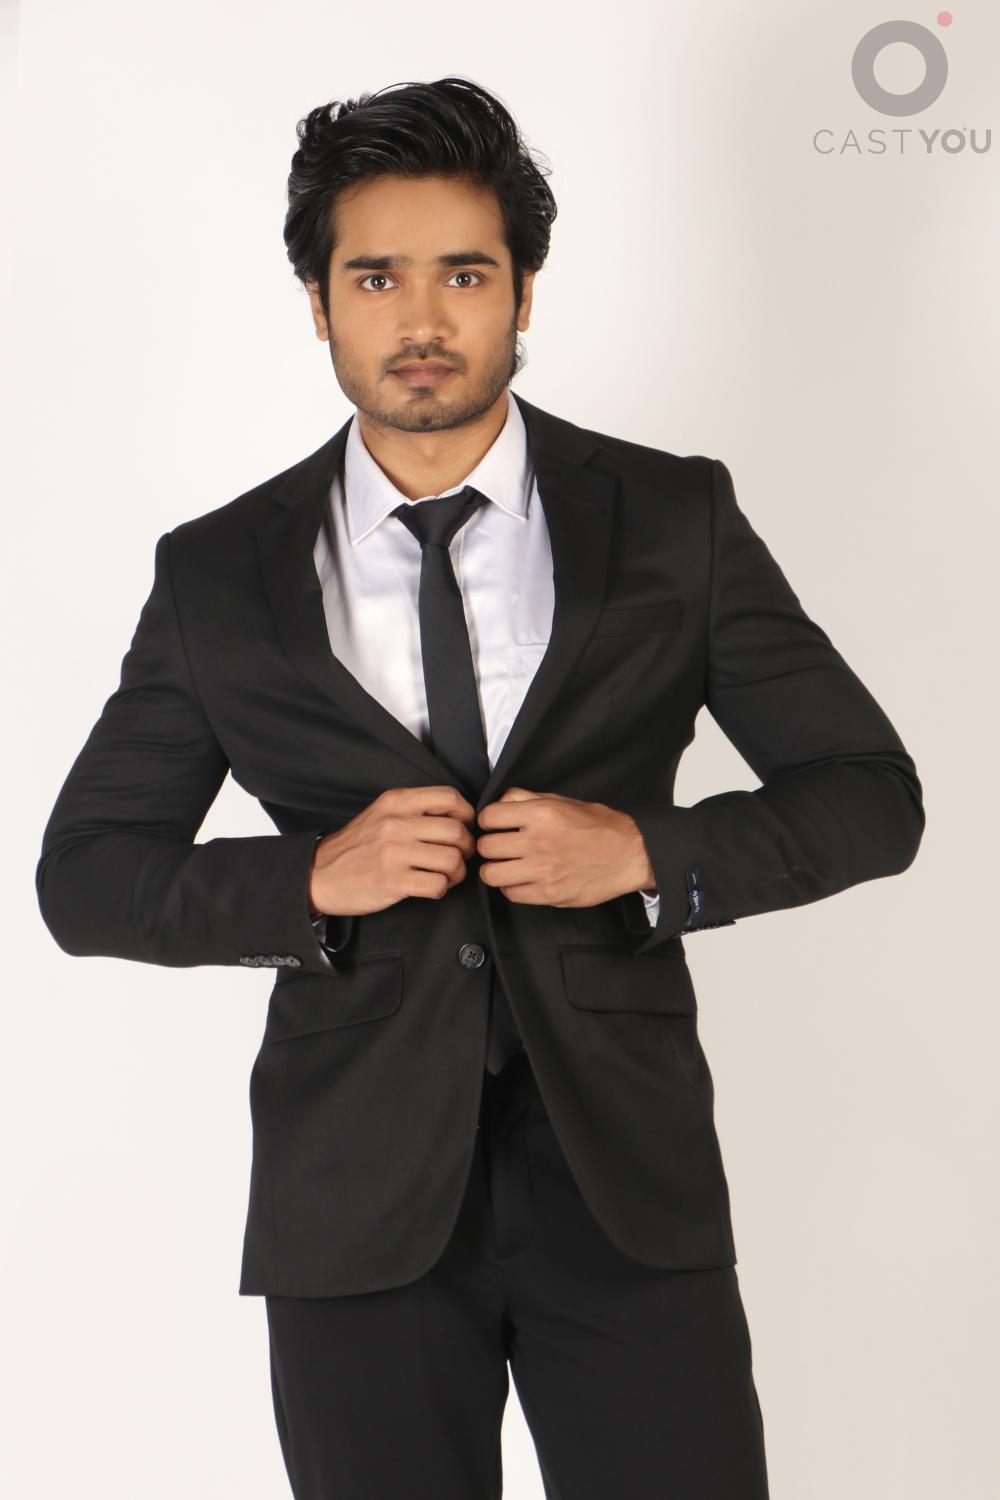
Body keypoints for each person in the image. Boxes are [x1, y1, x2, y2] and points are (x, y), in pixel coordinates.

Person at [35, 76, 925, 1499]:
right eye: (374, 277)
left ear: (522, 294)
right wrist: (311, 879)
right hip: (354, 1201)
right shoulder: (218, 574)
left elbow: (870, 792)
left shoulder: (672, 519)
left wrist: (646, 853)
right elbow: (86, 877)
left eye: (463, 274)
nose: (422, 319)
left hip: (625, 1187)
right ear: (319, 304)